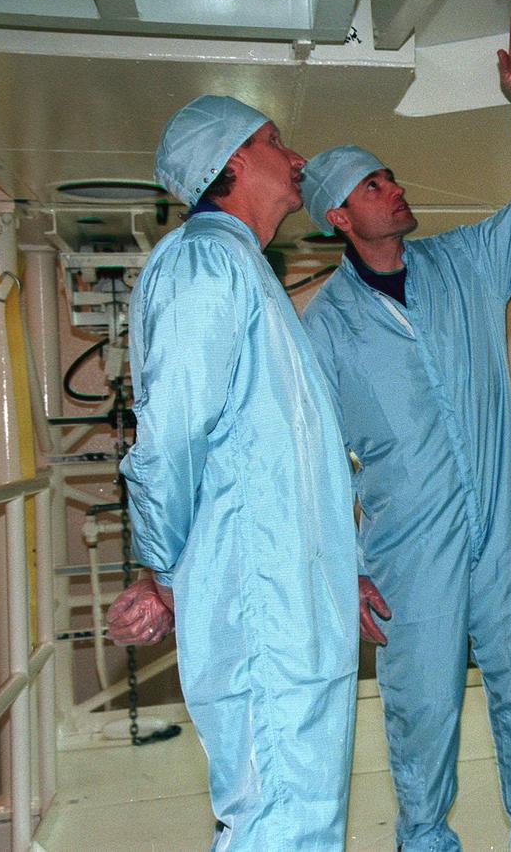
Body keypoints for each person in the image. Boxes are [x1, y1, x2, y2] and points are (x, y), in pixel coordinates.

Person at [298, 4, 511, 852]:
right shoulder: (325, 330)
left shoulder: (462, 266)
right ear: (340, 218)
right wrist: (342, 570)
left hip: (500, 532)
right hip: (407, 556)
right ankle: (426, 841)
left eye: (391, 176)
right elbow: (312, 463)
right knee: (421, 713)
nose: (397, 188)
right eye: (374, 186)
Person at [104, 95, 360, 850]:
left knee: (298, 814)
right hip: (263, 611)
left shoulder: (243, 269)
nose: (298, 159)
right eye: (278, 142)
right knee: (281, 819)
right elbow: (171, 435)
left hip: (289, 605)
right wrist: (164, 571)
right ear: (233, 163)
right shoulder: (206, 262)